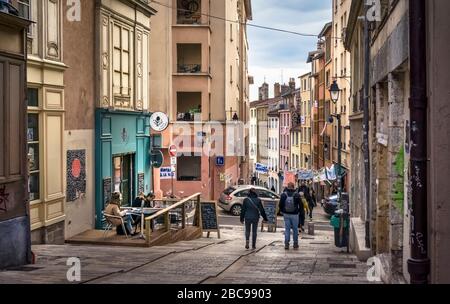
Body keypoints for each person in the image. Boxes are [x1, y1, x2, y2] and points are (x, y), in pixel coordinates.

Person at [279, 183, 301, 250]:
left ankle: (286, 244)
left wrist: (282, 211)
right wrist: (299, 211)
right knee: (295, 229)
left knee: (287, 229)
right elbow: (301, 205)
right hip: (295, 214)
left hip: (286, 214)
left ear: (287, 187)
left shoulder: (283, 195)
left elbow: (280, 204)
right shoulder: (297, 195)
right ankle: (295, 244)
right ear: (293, 187)